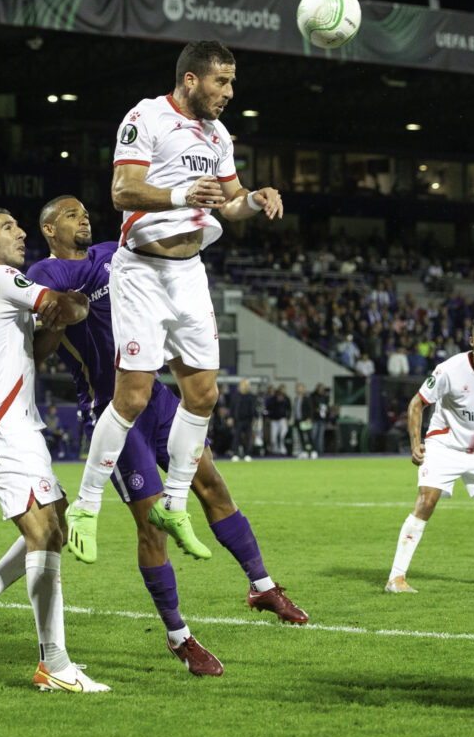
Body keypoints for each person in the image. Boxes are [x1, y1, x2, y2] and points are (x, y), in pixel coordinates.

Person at [25, 196, 307, 676]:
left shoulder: (115, 253)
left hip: (155, 396)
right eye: (71, 215)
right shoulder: (46, 273)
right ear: (50, 229)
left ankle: (262, 586)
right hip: (111, 406)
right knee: (152, 524)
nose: (84, 218)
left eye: (85, 212)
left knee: (212, 484)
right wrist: (62, 312)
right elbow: (41, 343)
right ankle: (180, 637)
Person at [65, 40, 284, 562]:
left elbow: (228, 202)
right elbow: (123, 191)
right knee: (135, 395)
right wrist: (185, 195)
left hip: (190, 273)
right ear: (191, 80)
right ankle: (86, 503)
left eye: (231, 82)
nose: (229, 92)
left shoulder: (218, 134)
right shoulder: (147, 117)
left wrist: (255, 199)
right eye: (221, 82)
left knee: (203, 395)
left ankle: (176, 502)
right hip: (141, 269)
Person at [0, 208, 108, 693]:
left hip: (15, 423)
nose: (19, 234)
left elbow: (34, 351)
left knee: (54, 524)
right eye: (8, 228)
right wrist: (81, 299)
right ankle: (53, 665)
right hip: (1, 427)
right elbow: (63, 304)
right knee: (44, 533)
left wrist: (55, 322)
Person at [386, 312, 474, 594]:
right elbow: (417, 404)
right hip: (444, 446)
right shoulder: (449, 369)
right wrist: (416, 445)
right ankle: (396, 578)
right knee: (426, 503)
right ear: (471, 339)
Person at [229, 378, 258, 462]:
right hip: (238, 420)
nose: (244, 386)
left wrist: (256, 418)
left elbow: (254, 408)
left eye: (246, 385)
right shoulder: (236, 396)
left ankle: (248, 454)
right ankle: (235, 454)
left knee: (249, 438)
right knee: (236, 437)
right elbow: (232, 407)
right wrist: (230, 417)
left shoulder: (251, 396)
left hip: (248, 420)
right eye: (243, 385)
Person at [266, 383, 290, 456]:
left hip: (282, 419)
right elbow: (269, 408)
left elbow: (289, 409)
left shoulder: (286, 398)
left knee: (283, 435)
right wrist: (268, 417)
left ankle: (283, 450)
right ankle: (275, 450)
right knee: (273, 437)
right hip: (274, 420)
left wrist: (288, 418)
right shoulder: (273, 398)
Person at [292, 383, 315, 459]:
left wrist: (309, 418)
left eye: (300, 388)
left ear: (303, 389)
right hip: (299, 420)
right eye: (298, 388)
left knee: (308, 436)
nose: (299, 389)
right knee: (301, 436)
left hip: (306, 420)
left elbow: (310, 409)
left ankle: (312, 451)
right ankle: (304, 451)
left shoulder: (307, 398)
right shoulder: (296, 399)